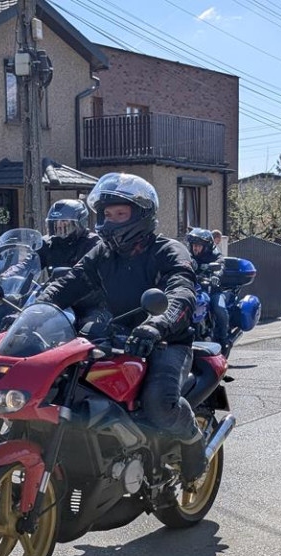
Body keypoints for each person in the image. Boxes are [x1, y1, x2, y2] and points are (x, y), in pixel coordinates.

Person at [38, 172, 207, 485]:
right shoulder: (103, 253)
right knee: (66, 386)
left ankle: (193, 441)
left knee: (159, 404)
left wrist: (159, 324)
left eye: (120, 213)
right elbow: (69, 283)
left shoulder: (168, 251)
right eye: (106, 214)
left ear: (141, 215)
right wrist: (34, 309)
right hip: (114, 334)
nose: (111, 220)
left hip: (166, 342)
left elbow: (182, 293)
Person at [186, 227, 230, 354]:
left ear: (205, 246)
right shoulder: (188, 254)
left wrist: (216, 275)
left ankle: (223, 339)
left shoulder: (214, 253)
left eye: (198, 246)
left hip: (213, 289)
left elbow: (220, 263)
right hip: (195, 288)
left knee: (219, 309)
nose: (195, 248)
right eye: (194, 245)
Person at [39, 199, 100, 271]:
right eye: (55, 222)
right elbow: (30, 264)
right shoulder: (48, 243)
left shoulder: (94, 244)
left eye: (64, 221)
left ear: (80, 223)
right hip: (55, 282)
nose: (59, 225)